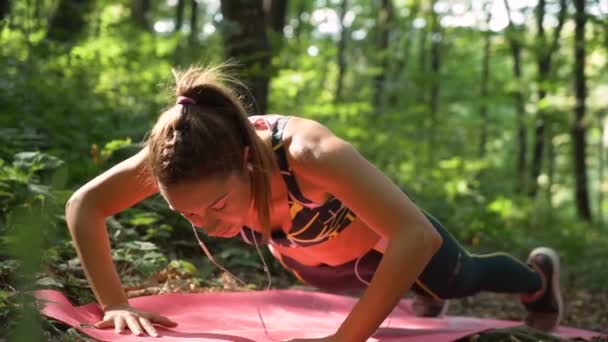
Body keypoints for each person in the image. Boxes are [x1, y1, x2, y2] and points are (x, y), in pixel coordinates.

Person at [65, 64, 563, 342]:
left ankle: (537, 280)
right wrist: (115, 303)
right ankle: (420, 292)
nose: (207, 224)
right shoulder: (183, 156)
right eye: (188, 215)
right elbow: (85, 205)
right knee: (392, 280)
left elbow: (417, 236)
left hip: (390, 245)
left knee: (463, 278)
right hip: (320, 266)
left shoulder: (309, 153)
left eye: (217, 205)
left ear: (247, 161)